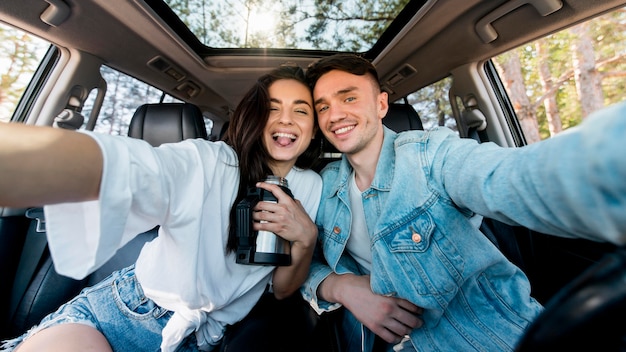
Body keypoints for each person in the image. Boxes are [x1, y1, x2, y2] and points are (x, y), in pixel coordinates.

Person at [300, 53, 626, 351]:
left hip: (486, 339)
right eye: (323, 106)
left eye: (350, 98)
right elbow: (302, 260)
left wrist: (608, 163)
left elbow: (516, 177)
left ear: (382, 105)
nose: (335, 114)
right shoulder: (325, 183)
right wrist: (341, 287)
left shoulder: (430, 155)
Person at [0, 64, 323, 352]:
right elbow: (133, 167)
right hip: (129, 312)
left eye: (301, 110)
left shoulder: (310, 186)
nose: (285, 120)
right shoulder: (206, 160)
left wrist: (305, 238)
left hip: (205, 337)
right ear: (254, 117)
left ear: (314, 126)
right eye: (271, 108)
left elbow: (282, 291)